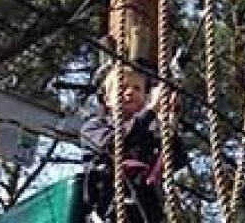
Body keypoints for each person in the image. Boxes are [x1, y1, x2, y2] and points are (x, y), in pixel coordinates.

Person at [79, 61, 187, 223]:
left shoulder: (151, 132)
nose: (130, 92)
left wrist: (170, 122)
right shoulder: (94, 127)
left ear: (145, 97)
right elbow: (114, 145)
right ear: (107, 100)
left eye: (137, 88)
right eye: (122, 88)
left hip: (145, 210)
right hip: (109, 207)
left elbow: (177, 160)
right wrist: (150, 111)